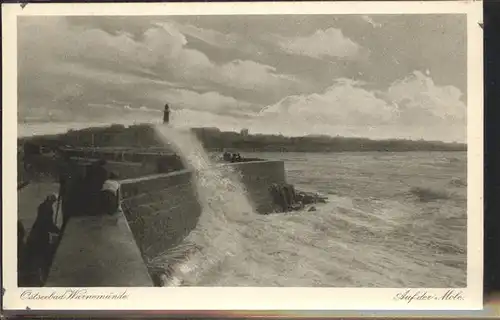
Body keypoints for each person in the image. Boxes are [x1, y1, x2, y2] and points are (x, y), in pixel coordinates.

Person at [24, 194, 60, 286]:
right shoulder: (47, 210)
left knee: (36, 258)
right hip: (40, 238)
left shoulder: (42, 207)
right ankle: (40, 276)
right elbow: (48, 225)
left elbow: (47, 224)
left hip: (36, 236)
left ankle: (37, 275)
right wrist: (58, 231)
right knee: (42, 258)